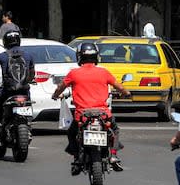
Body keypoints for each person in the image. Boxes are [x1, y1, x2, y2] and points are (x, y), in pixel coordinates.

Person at [51, 42, 130, 174]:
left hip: (82, 116)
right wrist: (127, 93)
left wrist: (55, 95)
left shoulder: (74, 73)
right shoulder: (103, 72)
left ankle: (77, 159)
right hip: (103, 115)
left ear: (79, 57)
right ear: (96, 57)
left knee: (72, 133)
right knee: (114, 130)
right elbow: (120, 87)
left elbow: (61, 87)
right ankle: (114, 155)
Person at [0, 30, 35, 146]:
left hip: (7, 92)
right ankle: (28, 126)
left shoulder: (2, 56)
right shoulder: (28, 56)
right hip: (24, 92)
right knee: (28, 103)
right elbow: (32, 74)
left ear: (5, 42)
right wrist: (28, 81)